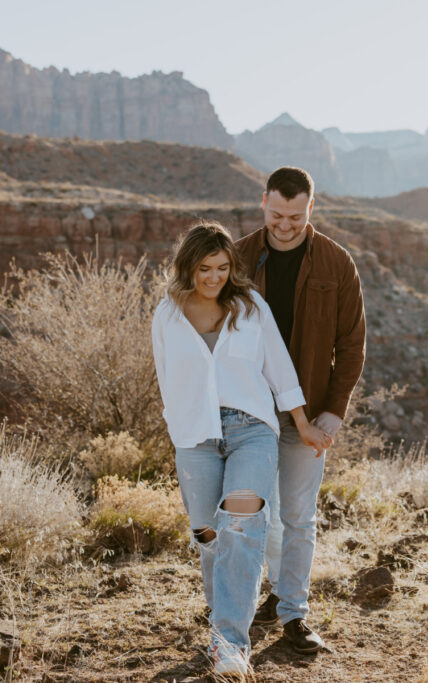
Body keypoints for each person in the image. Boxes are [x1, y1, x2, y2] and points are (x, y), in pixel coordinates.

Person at [151, 222, 330, 676]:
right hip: (196, 436)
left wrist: (303, 424)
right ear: (188, 267)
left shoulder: (250, 307)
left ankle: (231, 643)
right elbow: (166, 379)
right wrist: (179, 431)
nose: (214, 277)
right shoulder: (167, 314)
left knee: (244, 524)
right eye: (205, 268)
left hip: (252, 428)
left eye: (223, 267)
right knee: (209, 536)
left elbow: (279, 369)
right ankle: (225, 611)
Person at [237, 166, 367, 654]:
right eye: (276, 214)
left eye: (295, 215)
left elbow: (351, 346)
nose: (284, 225)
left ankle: (293, 612)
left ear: (311, 208)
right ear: (263, 202)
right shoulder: (241, 256)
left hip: (308, 417)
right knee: (251, 515)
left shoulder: (337, 263)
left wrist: (333, 413)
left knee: (297, 515)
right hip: (249, 413)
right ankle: (255, 600)